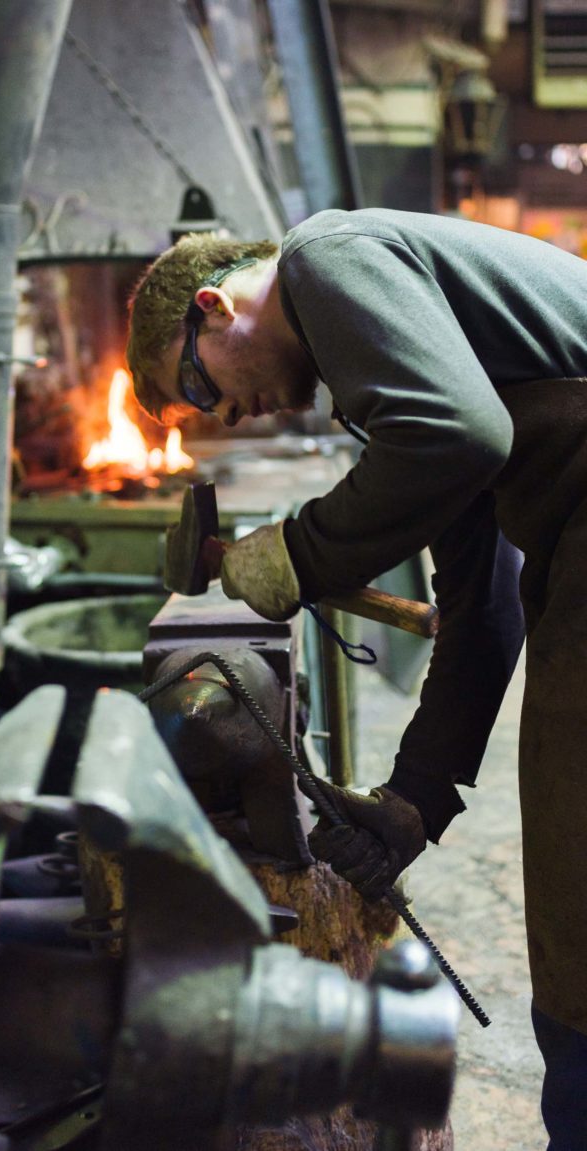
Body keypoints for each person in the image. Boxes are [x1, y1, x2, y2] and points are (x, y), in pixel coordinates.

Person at [125, 207, 587, 1148]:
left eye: (196, 389)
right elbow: (481, 602)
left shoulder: (323, 259)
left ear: (213, 308)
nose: (221, 421)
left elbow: (458, 432)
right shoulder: (403, 370)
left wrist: (302, 552)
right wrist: (415, 797)